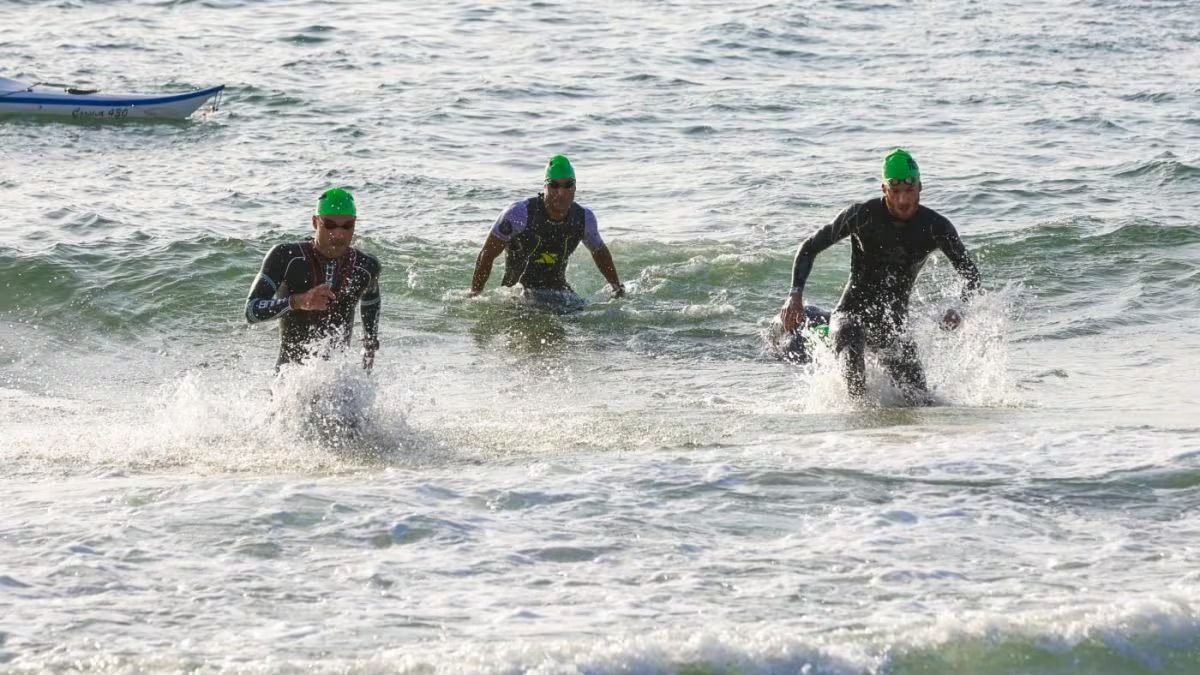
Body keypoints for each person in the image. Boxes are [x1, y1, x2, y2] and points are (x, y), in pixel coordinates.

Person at [779, 149, 981, 402]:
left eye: (909, 191)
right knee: (850, 334)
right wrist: (795, 295)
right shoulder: (862, 215)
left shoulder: (936, 227)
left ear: (920, 187)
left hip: (893, 327)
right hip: (850, 315)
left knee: (920, 401)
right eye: (895, 192)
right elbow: (810, 246)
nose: (903, 201)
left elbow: (970, 274)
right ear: (884, 189)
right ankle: (858, 421)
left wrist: (959, 307)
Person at [245, 188, 382, 370]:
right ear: (315, 222)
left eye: (347, 226)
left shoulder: (365, 266)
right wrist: (298, 302)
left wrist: (370, 341)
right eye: (330, 225)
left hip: (339, 380)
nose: (339, 234)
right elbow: (251, 311)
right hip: (290, 379)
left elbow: (371, 297)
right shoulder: (287, 257)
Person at [469, 154, 625, 300]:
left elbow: (599, 251)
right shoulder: (519, 214)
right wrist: (475, 293)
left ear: (575, 187)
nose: (561, 192)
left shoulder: (584, 218)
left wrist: (617, 287)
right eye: (554, 185)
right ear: (544, 187)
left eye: (568, 185)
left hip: (559, 294)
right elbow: (487, 254)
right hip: (518, 295)